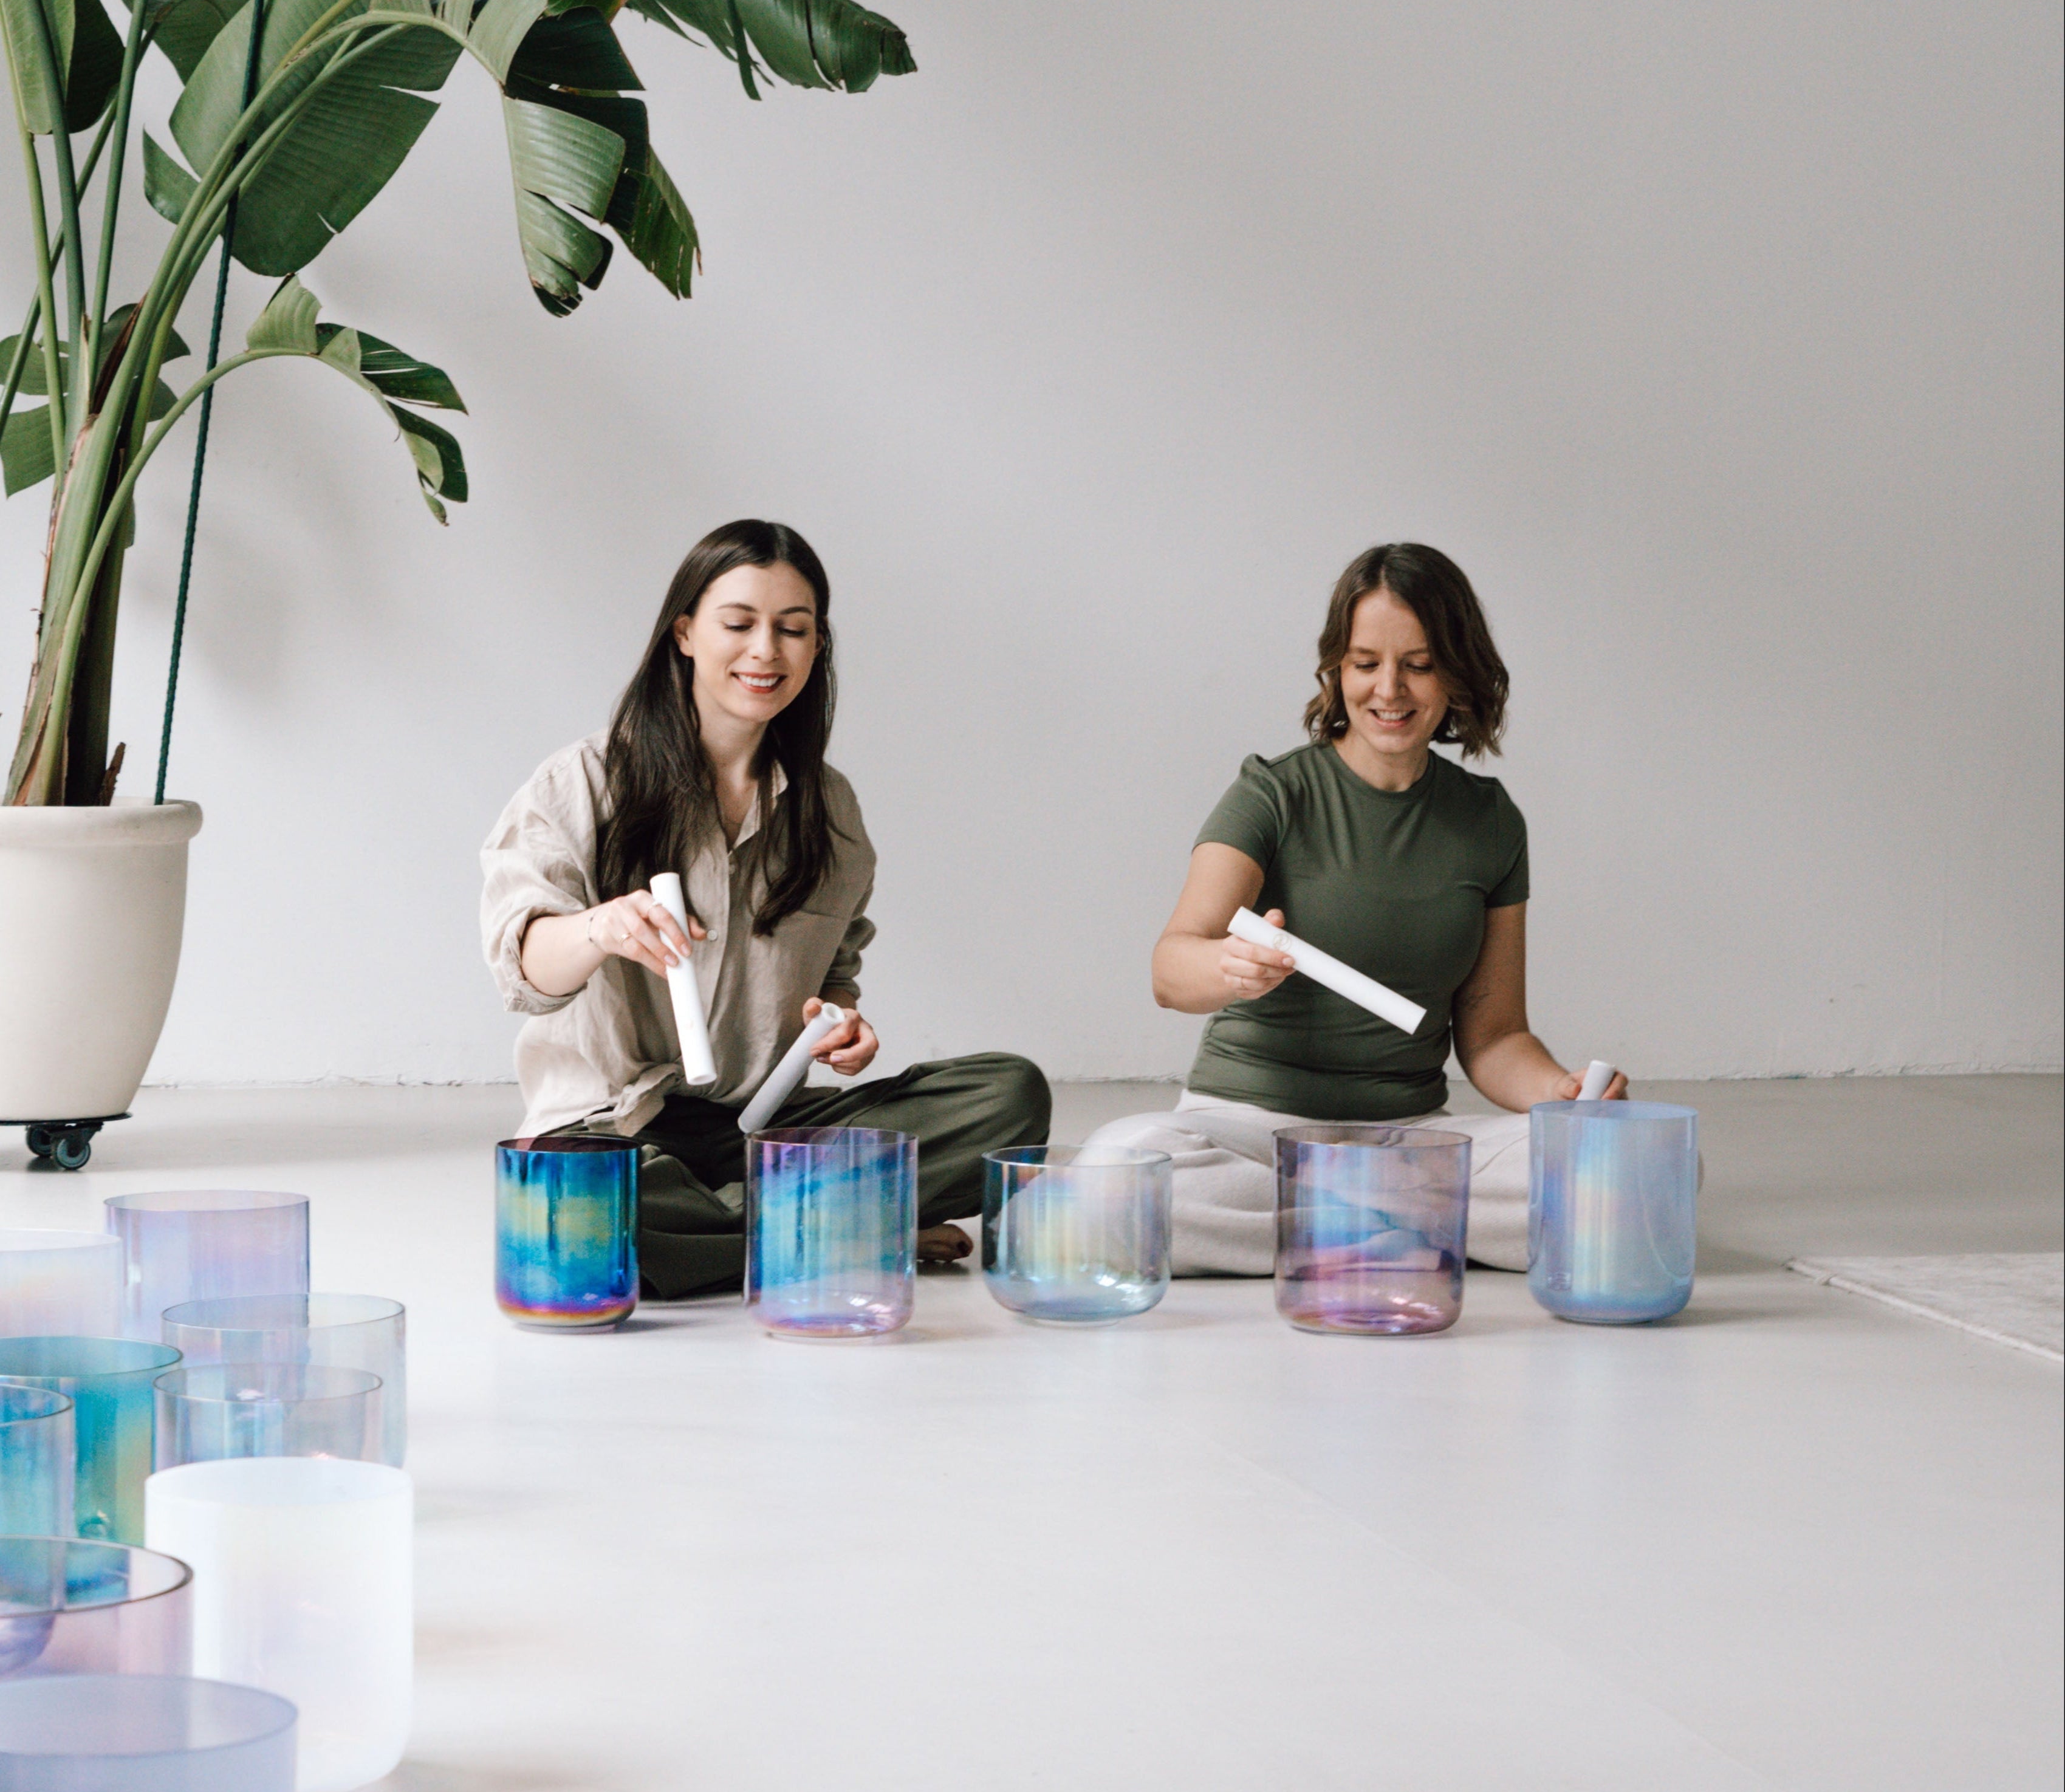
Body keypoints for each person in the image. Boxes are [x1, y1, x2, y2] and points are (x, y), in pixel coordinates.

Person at [481, 519, 1050, 1296]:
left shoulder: (830, 809)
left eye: (793, 629)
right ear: (685, 632)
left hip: (762, 1130)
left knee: (1009, 1094)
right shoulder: (582, 781)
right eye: (739, 623)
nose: (766, 651)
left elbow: (836, 970)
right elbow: (524, 973)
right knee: (586, 1206)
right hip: (611, 1129)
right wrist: (598, 928)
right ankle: (847, 1223)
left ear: (817, 648)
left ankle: (774, 1229)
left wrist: (840, 1021)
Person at [1085, 542, 1626, 1273]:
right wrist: (1229, 966)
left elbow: (1495, 1036)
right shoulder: (1272, 794)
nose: (1389, 689)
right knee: (1116, 1171)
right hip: (1247, 1131)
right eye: (1366, 663)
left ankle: (1333, 1222)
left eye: (1419, 664)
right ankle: (1403, 1227)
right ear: (1337, 670)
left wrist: (1559, 1096)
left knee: (1626, 1170)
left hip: (1405, 1140)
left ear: (1456, 671)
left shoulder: (1491, 821)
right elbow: (1170, 969)